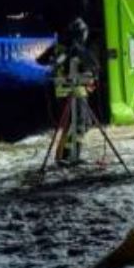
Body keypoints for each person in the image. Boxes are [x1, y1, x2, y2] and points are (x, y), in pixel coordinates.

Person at [37, 17, 98, 164]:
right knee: (79, 124)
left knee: (78, 124)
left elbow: (41, 60)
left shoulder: (64, 47)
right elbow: (77, 71)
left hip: (68, 91)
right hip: (73, 92)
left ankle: (68, 155)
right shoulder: (72, 49)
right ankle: (69, 156)